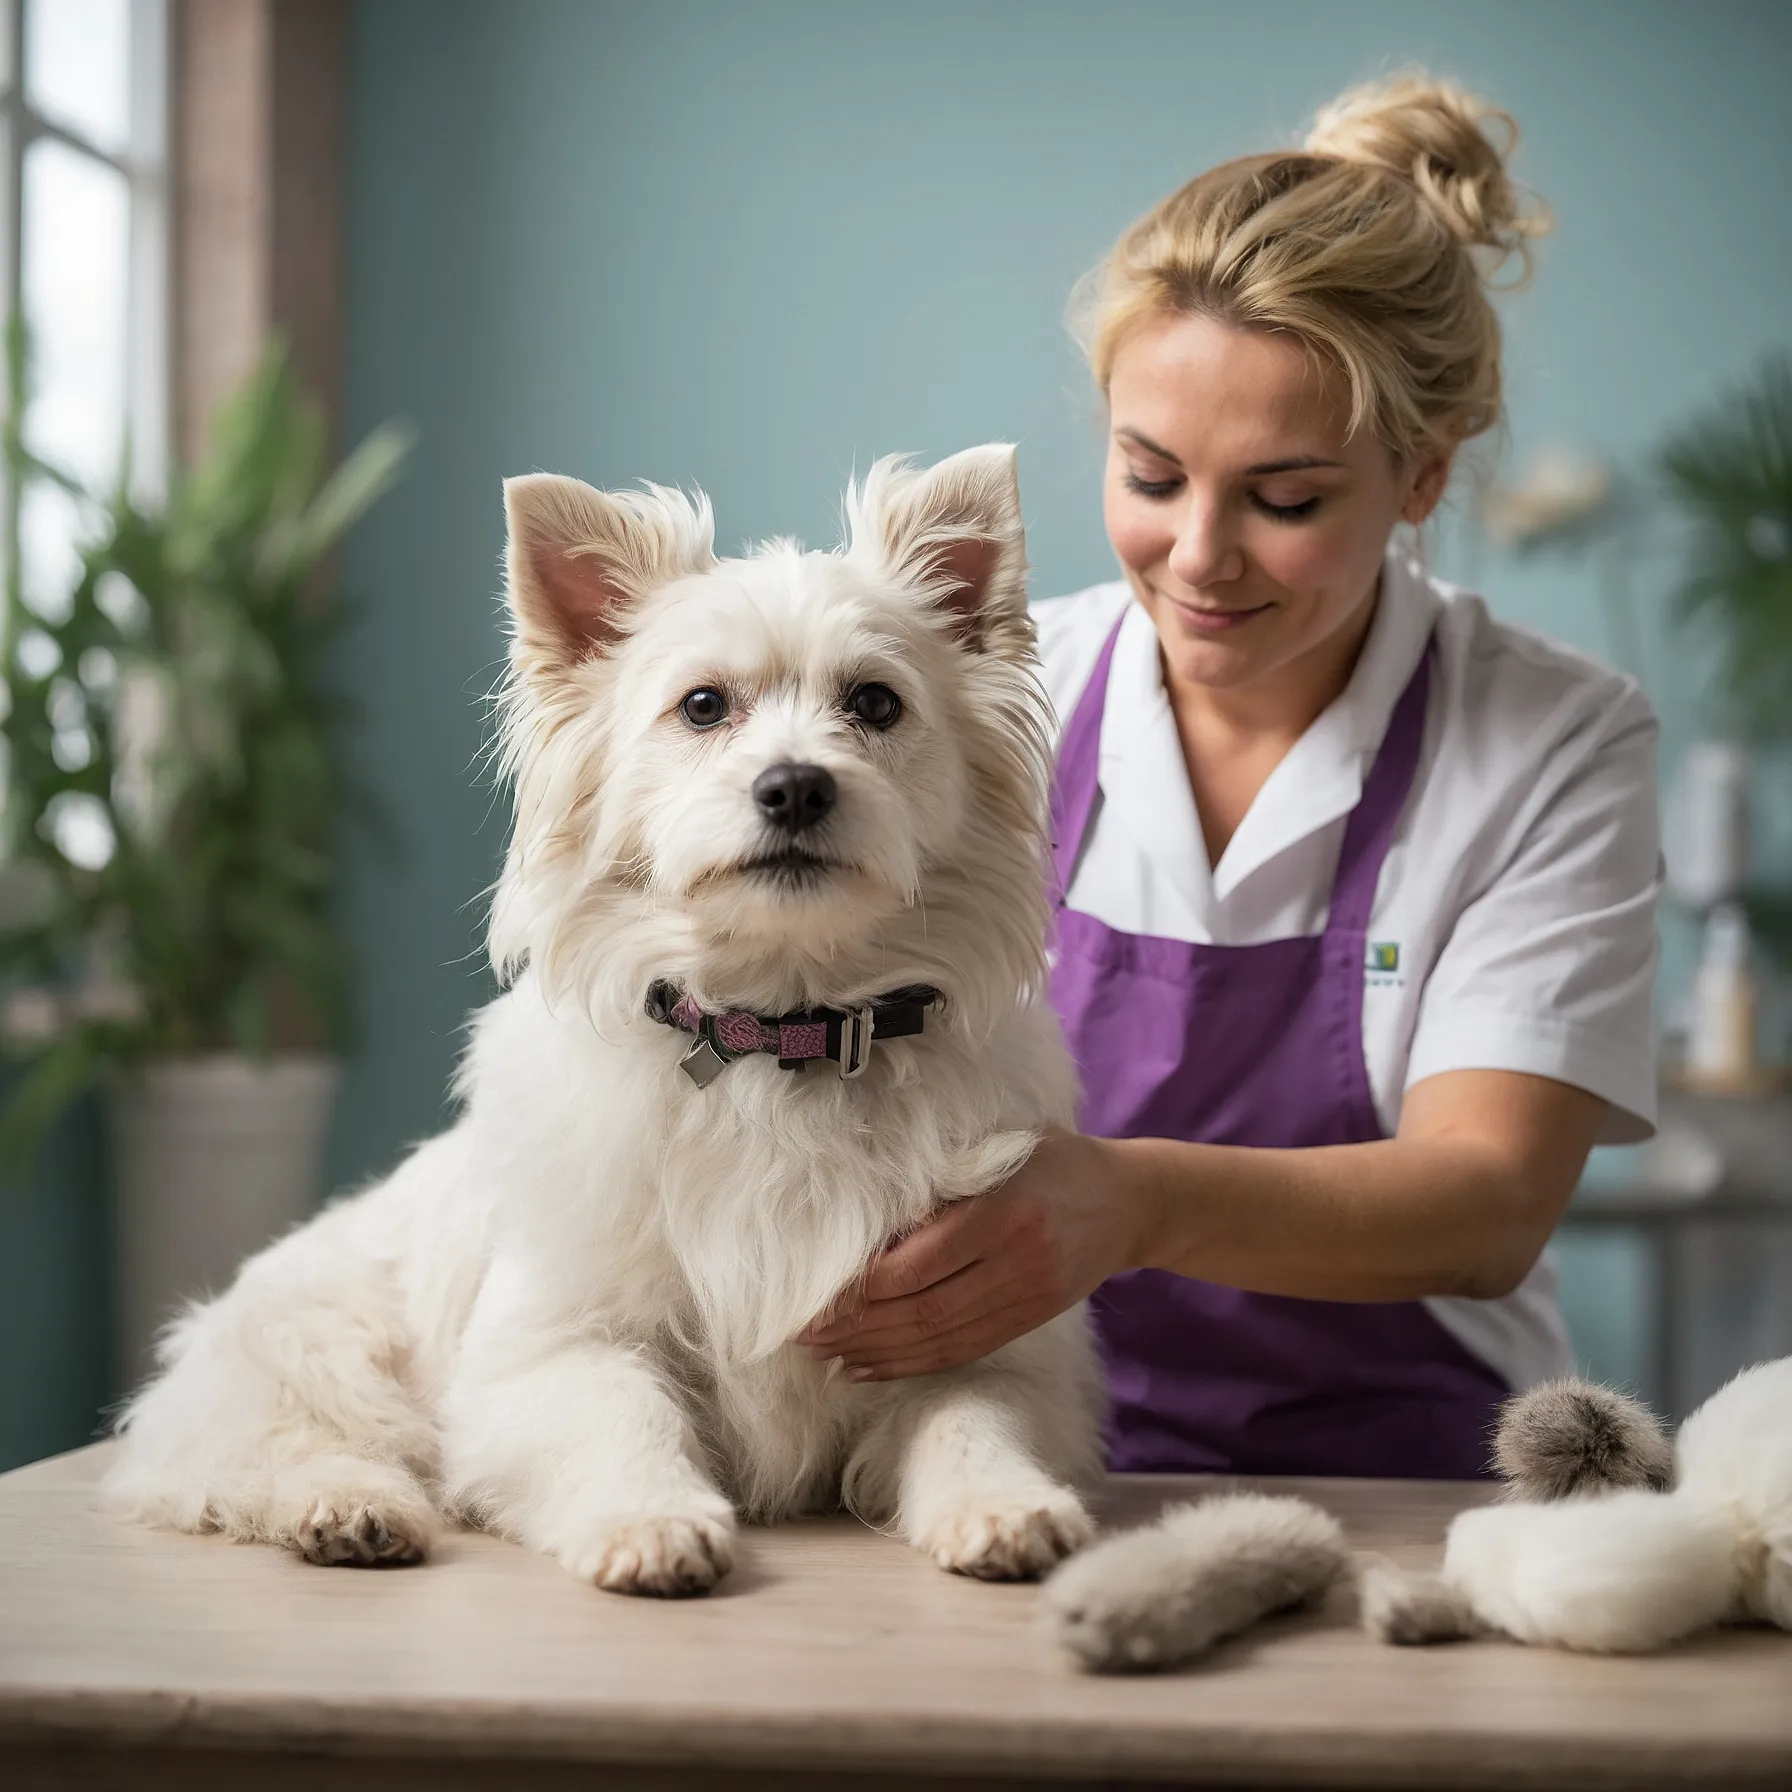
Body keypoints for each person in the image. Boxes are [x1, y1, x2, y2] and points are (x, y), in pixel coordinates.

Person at [802, 73, 1662, 1479]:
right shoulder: (994, 703)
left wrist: (1125, 1205)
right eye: (1150, 476)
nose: (1199, 556)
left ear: (1424, 476)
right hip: (1002, 1437)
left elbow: (1487, 1201)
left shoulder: (1552, 742)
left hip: (1406, 1468)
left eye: (1286, 498)